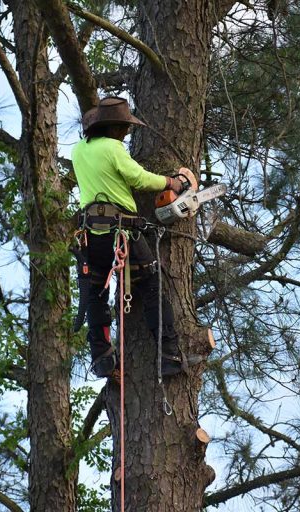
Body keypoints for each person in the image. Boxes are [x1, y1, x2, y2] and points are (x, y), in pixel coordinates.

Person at [72, 96, 196, 378]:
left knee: (96, 293)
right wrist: (171, 182)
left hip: (91, 236)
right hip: (120, 232)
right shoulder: (113, 148)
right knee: (152, 283)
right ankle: (170, 356)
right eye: (125, 127)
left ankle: (102, 358)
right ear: (114, 127)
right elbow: (138, 178)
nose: (127, 132)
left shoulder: (79, 150)